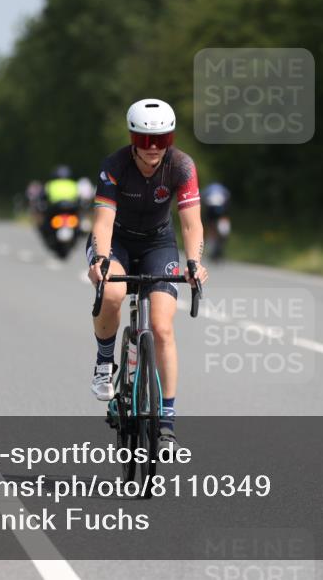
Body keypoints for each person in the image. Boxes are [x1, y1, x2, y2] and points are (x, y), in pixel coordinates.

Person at [87, 98, 208, 451]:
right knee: (110, 293)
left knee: (162, 326)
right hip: (118, 242)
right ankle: (103, 363)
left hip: (158, 244)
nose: (153, 149)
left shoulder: (182, 166)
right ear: (132, 139)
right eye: (144, 141)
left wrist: (195, 262)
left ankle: (167, 421)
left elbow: (191, 224)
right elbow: (103, 222)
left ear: (170, 139)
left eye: (161, 140)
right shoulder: (114, 166)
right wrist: (102, 260)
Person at [202, 182, 231, 259]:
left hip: (210, 209)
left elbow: (203, 200)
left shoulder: (208, 188)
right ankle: (221, 239)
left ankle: (212, 243)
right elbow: (227, 200)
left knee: (211, 228)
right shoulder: (223, 189)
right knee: (221, 226)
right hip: (221, 208)